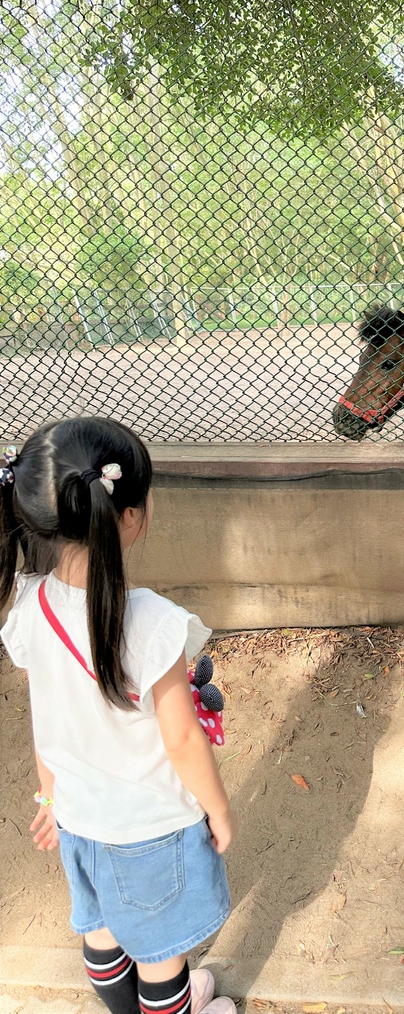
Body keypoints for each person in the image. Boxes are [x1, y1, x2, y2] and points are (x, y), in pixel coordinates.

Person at [0, 418, 237, 1014]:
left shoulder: (28, 606)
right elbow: (182, 740)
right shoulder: (153, 624)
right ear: (129, 516)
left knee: (102, 933)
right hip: (150, 830)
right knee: (162, 956)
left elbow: (46, 719)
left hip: (79, 819)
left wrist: (51, 799)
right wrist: (219, 808)